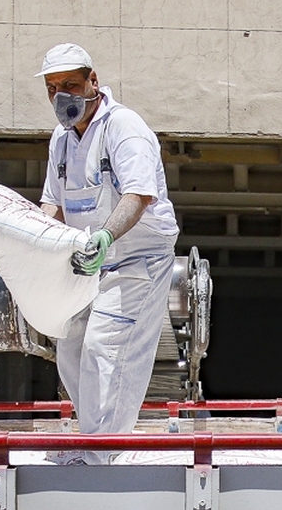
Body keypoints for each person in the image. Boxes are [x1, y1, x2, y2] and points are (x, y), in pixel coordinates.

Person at [36, 43, 179, 462]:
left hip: (137, 257)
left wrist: (105, 237)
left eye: (71, 85)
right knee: (72, 344)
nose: (62, 95)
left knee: (107, 346)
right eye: (52, 88)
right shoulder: (61, 141)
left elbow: (138, 194)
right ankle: (93, 437)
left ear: (93, 82)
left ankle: (105, 454)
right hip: (87, 260)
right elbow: (52, 204)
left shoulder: (124, 127)